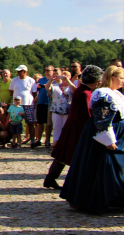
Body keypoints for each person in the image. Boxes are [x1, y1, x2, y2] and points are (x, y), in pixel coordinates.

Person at [59, 66, 124, 214]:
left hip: (117, 134)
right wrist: (108, 139)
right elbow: (102, 118)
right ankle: (94, 200)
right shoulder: (103, 94)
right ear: (112, 78)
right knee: (101, 167)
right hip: (104, 135)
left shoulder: (116, 94)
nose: (123, 82)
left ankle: (115, 199)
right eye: (121, 78)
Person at [44, 65, 103, 189]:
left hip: (73, 127)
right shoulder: (84, 93)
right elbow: (84, 115)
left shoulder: (82, 90)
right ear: (96, 81)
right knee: (70, 156)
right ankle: (70, 182)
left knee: (63, 155)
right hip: (77, 129)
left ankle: (51, 179)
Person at [9, 65, 37, 147]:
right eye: (17, 71)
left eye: (20, 71)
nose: (18, 73)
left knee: (30, 122)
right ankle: (16, 141)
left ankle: (32, 141)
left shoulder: (31, 80)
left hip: (28, 104)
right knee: (16, 122)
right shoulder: (14, 80)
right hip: (17, 105)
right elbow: (11, 92)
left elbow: (34, 93)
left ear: (25, 71)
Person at [46, 71, 75, 143]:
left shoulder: (70, 87)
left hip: (67, 110)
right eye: (63, 76)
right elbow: (47, 87)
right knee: (56, 127)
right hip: (56, 109)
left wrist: (68, 81)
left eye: (66, 76)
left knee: (67, 127)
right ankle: (56, 143)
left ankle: (66, 142)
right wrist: (51, 80)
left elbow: (75, 91)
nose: (64, 77)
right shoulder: (55, 86)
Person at [34, 65, 56, 147]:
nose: (47, 71)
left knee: (49, 123)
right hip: (41, 102)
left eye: (49, 70)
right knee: (40, 122)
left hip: (49, 103)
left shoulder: (54, 80)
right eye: (46, 70)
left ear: (53, 71)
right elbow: (37, 90)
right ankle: (38, 139)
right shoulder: (41, 79)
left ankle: (47, 140)